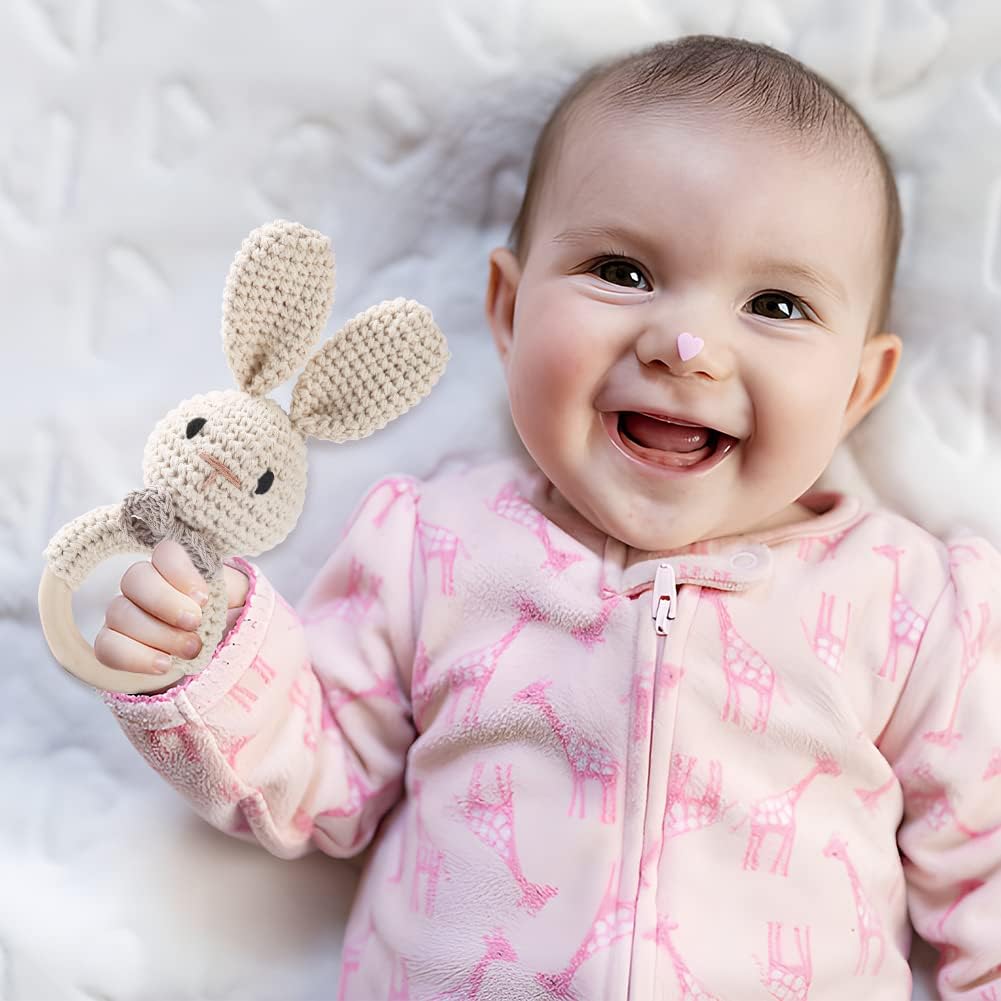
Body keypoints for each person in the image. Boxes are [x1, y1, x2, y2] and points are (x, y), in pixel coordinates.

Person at [92, 34, 1001, 999]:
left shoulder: (906, 604)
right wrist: (210, 660)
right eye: (622, 271)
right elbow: (319, 782)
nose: (686, 346)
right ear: (510, 308)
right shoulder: (433, 549)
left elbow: (982, 879)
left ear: (859, 386)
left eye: (774, 303)